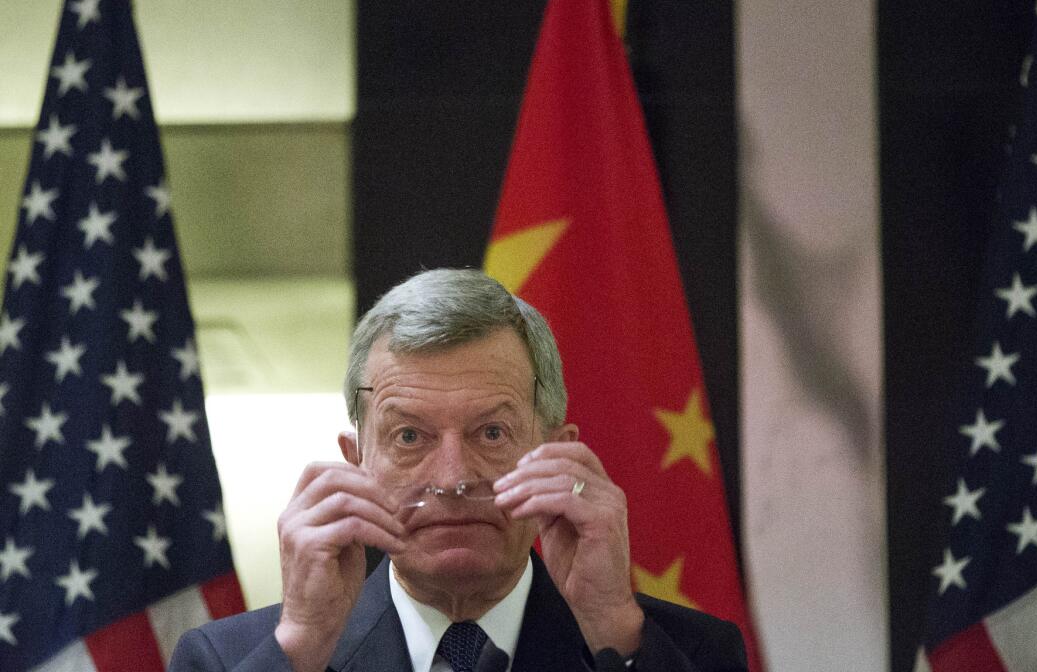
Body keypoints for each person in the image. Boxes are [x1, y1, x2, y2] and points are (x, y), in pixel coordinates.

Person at [169, 268, 747, 672]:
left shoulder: (686, 653)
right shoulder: (231, 659)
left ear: (558, 454)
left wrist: (613, 633)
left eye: (491, 433)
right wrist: (301, 649)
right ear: (356, 465)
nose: (451, 477)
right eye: (410, 436)